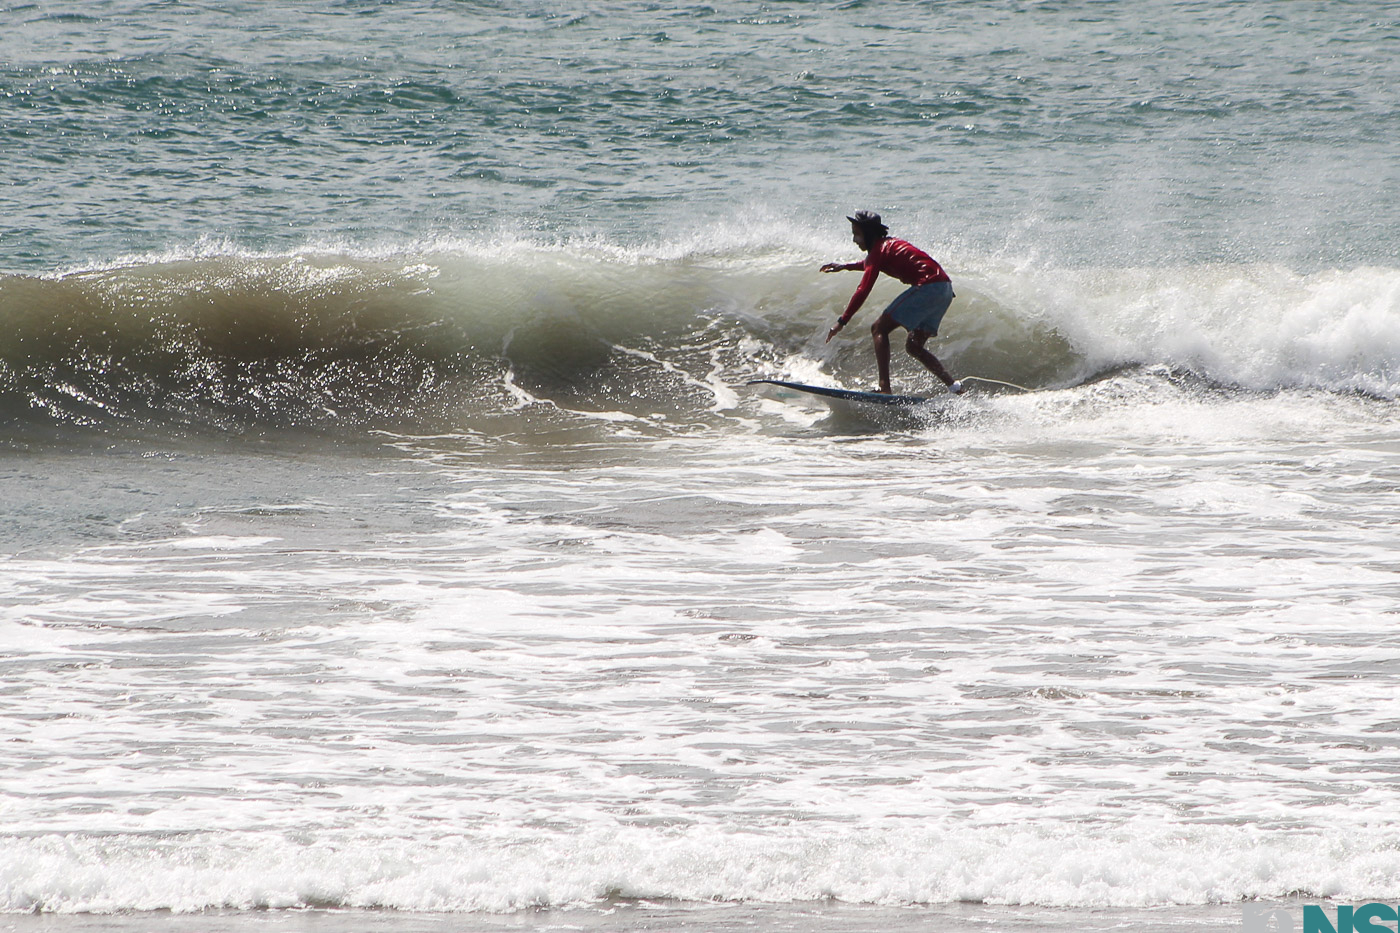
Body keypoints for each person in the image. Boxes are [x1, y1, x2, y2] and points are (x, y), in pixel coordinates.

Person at [822, 210, 963, 395]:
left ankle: (884, 388)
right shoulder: (886, 247)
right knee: (914, 347)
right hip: (944, 290)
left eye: (856, 234)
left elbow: (863, 289)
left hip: (928, 287)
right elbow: (870, 264)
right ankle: (955, 388)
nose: (855, 240)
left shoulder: (879, 250)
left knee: (878, 328)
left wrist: (842, 321)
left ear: (868, 233)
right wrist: (844, 267)